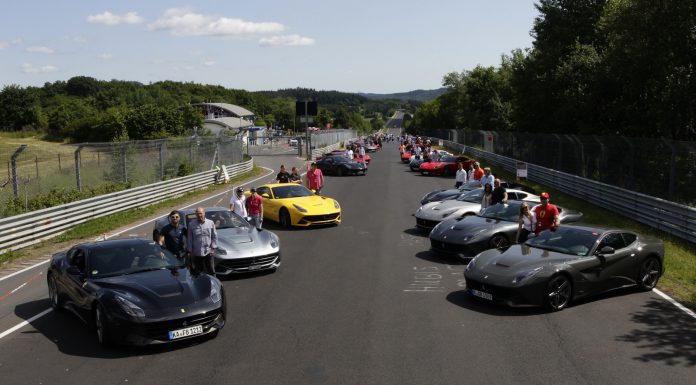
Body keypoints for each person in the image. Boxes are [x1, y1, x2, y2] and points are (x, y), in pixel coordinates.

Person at [187, 207, 217, 275]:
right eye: (197, 214)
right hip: (197, 253)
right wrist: (190, 251)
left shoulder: (210, 223)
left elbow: (214, 236)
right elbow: (190, 238)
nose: (199, 215)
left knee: (211, 271)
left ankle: (214, 284)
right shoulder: (191, 224)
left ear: (204, 213)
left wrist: (213, 248)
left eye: (200, 213)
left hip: (208, 252)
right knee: (198, 272)